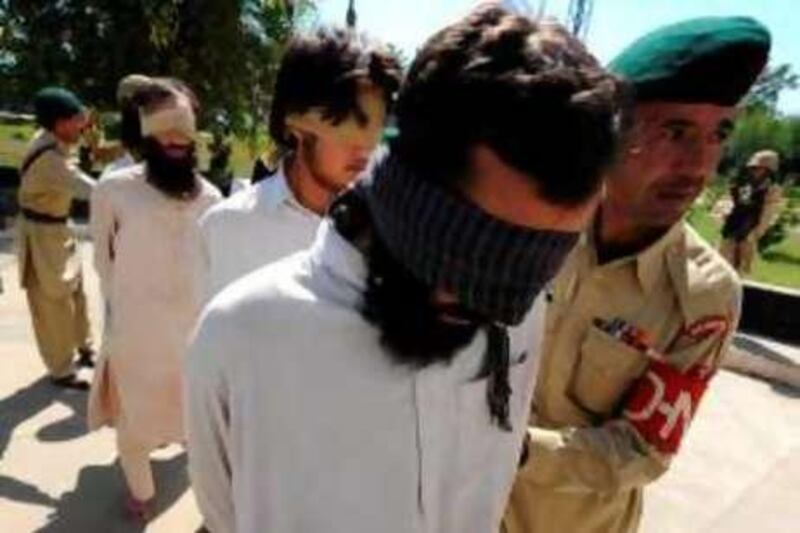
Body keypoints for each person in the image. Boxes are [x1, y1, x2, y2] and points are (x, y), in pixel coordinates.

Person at [186, 6, 622, 533]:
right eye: (479, 265)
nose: (496, 310)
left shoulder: (515, 318)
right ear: (407, 195)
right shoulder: (242, 333)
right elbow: (223, 513)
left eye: (531, 278)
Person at [503, 16, 770, 533]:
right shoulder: (530, 220)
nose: (699, 165)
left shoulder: (705, 296)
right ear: (614, 129)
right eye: (676, 131)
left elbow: (642, 448)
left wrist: (508, 447)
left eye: (720, 133)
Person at [86, 79, 221, 521]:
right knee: (136, 426)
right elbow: (104, 263)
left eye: (185, 133)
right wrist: (124, 311)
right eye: (166, 133)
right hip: (137, 335)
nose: (177, 142)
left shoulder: (214, 199)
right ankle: (141, 492)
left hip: (193, 336)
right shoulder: (114, 190)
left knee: (192, 420)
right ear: (145, 134)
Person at [196, 26, 402, 301]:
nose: (364, 147)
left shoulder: (398, 233)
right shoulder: (226, 228)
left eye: (375, 126)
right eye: (345, 124)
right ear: (297, 126)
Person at [16, 87, 97, 390]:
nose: (82, 124)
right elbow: (90, 189)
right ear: (59, 123)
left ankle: (84, 347)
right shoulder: (50, 159)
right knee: (52, 304)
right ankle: (61, 369)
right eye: (76, 119)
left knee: (76, 293)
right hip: (42, 236)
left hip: (58, 228)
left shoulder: (56, 140)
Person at [720, 149, 783, 273]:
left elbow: (768, 212)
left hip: (750, 227)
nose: (756, 171)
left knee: (743, 264)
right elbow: (728, 200)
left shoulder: (771, 189)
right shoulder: (741, 183)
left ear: (769, 171)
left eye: (761, 169)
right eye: (754, 168)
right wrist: (725, 213)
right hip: (733, 223)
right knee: (723, 260)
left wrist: (756, 232)